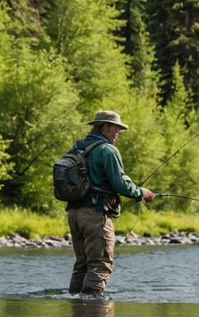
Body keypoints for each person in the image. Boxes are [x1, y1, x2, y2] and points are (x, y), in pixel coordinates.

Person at [65, 110, 154, 295]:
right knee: (99, 266)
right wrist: (140, 192)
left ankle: (75, 307)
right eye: (116, 128)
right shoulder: (107, 150)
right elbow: (119, 183)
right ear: (105, 127)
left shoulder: (78, 146)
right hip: (95, 215)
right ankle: (93, 312)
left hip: (74, 214)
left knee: (82, 265)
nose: (118, 132)